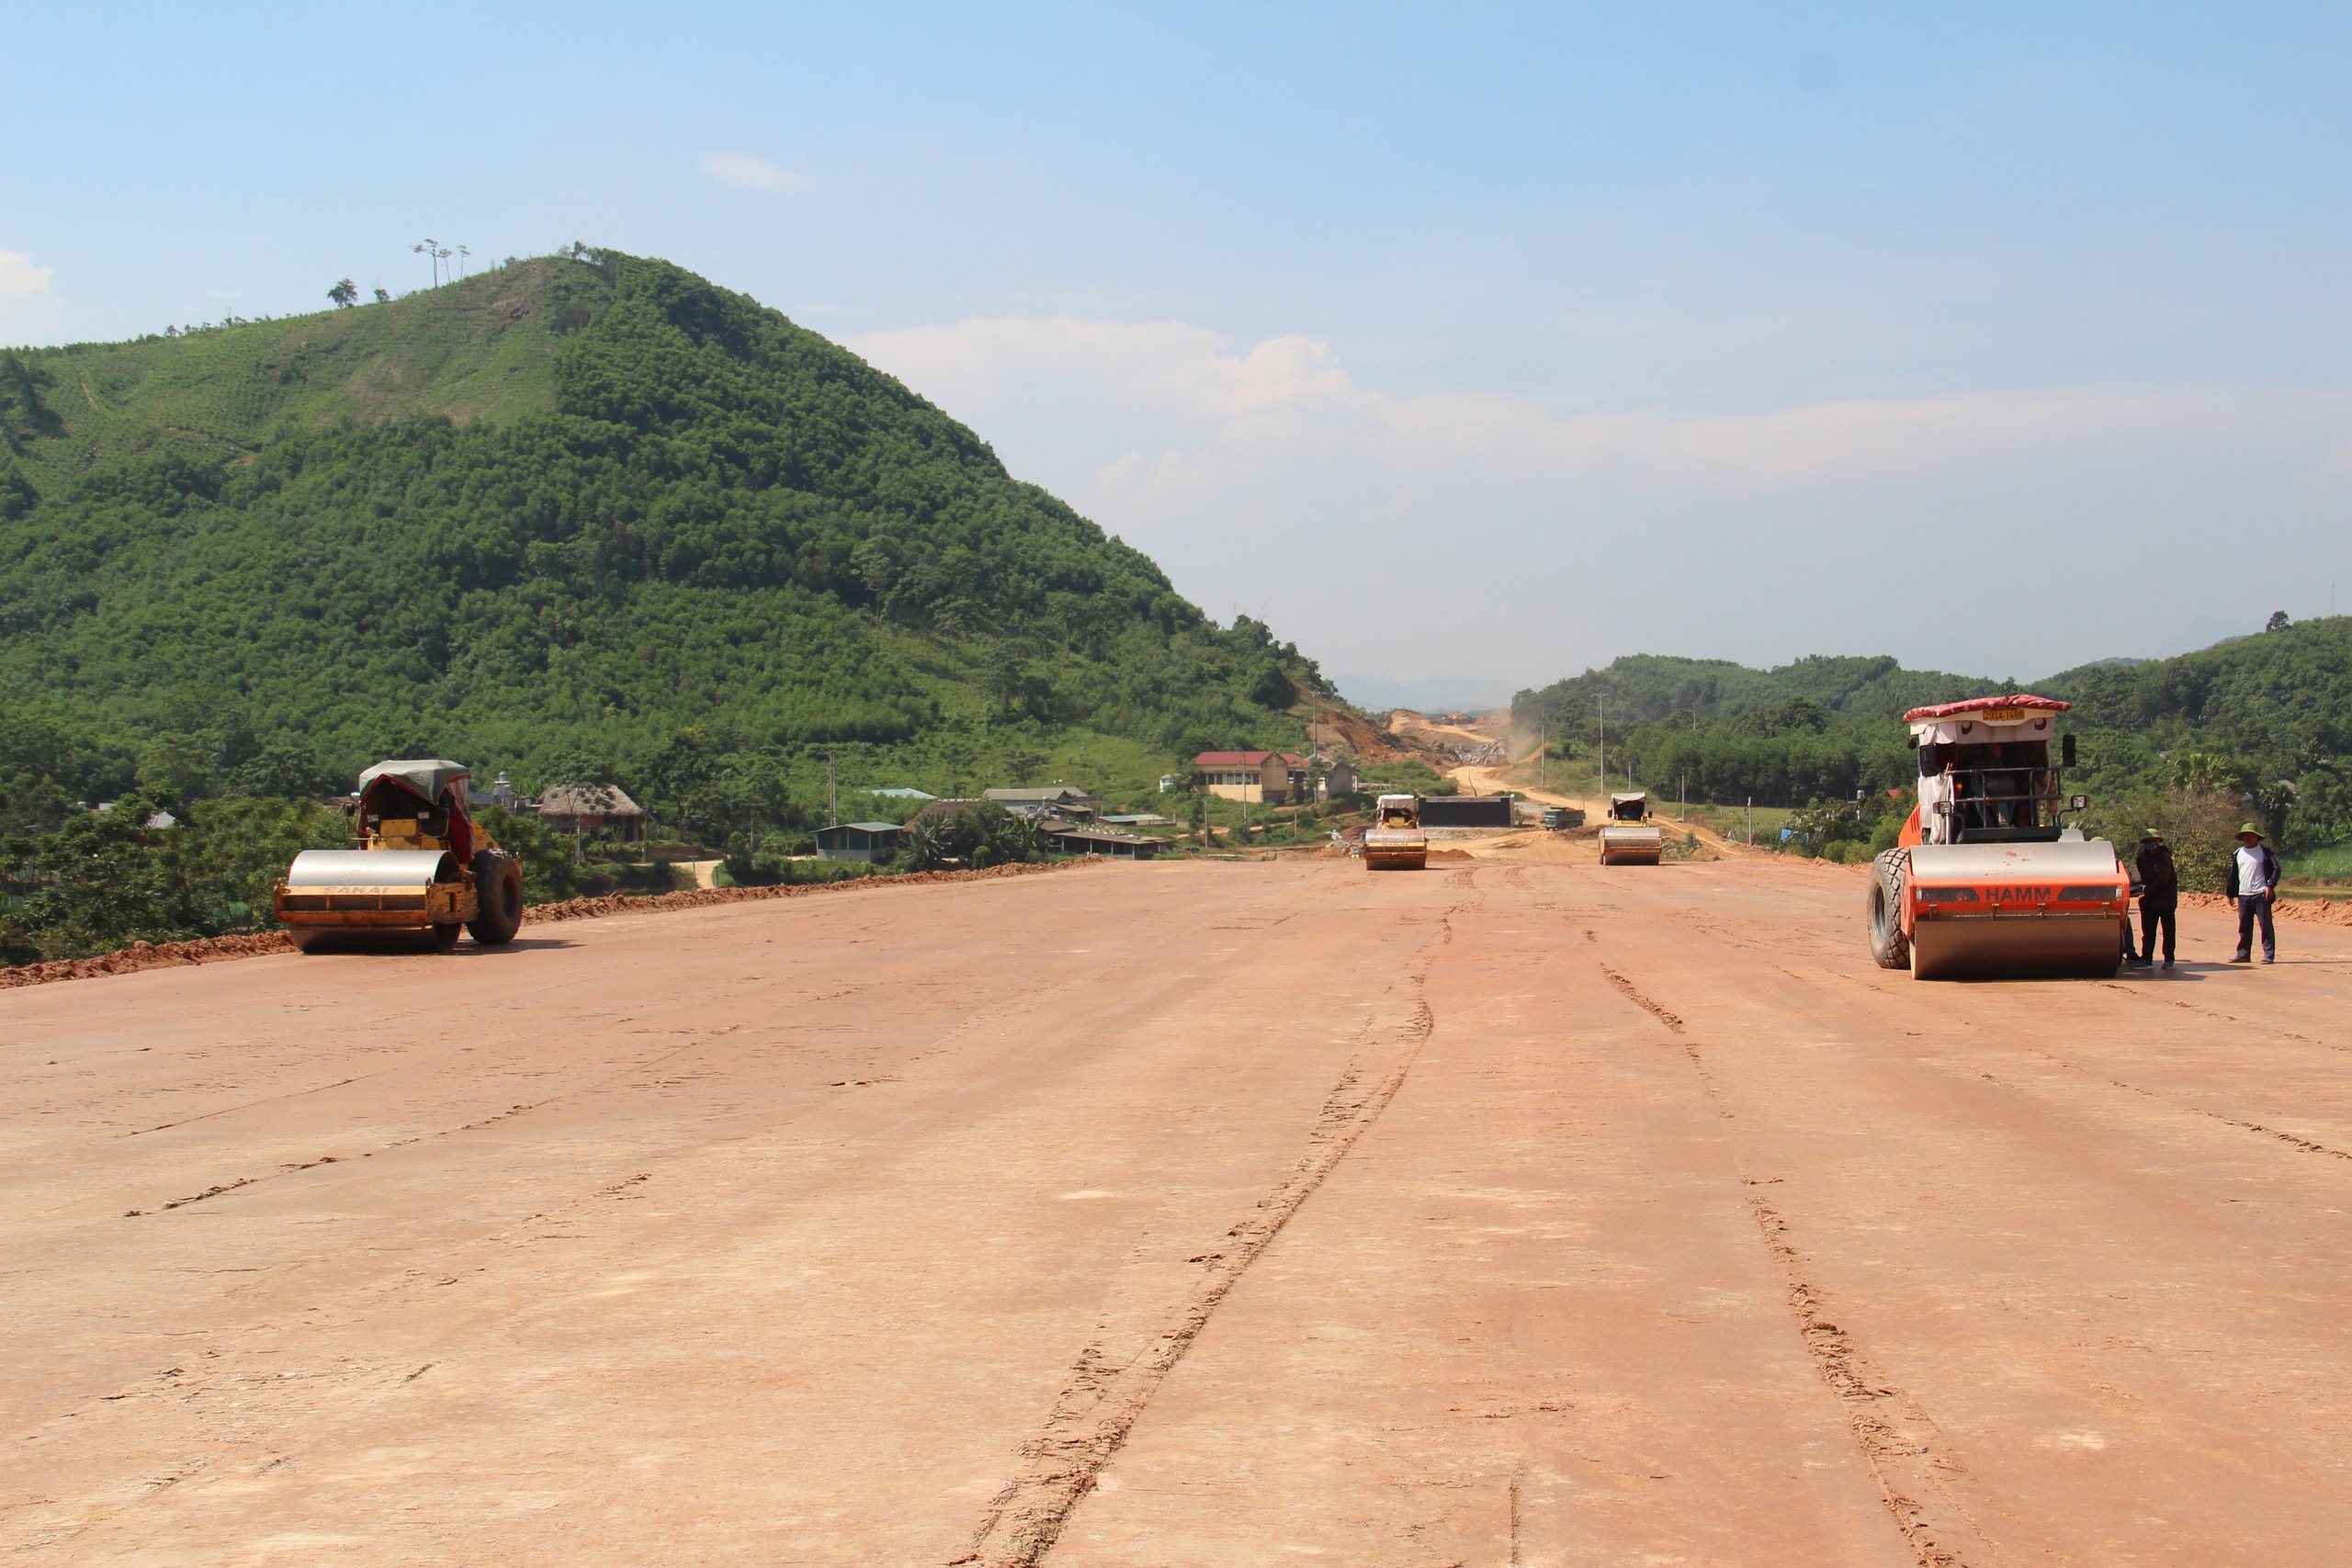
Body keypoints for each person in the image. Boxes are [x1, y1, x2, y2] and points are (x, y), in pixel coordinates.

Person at [2224, 823, 2279, 964]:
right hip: (2244, 894)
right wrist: (2231, 893)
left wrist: (2270, 886)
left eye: (2251, 835)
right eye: (2245, 835)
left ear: (2257, 837)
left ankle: (2268, 955)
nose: (2248, 838)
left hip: (2261, 893)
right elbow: (2234, 875)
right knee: (2244, 926)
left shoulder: (2265, 852)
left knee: (2265, 924)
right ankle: (2243, 954)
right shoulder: (2238, 854)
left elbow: (2276, 869)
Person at [2132, 827, 2177, 969]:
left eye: (2154, 841)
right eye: (2148, 841)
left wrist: (2147, 889)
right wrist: (2137, 887)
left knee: (2168, 932)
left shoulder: (2165, 858)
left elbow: (2164, 880)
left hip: (2165, 901)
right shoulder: (2142, 857)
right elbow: (2137, 877)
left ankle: (2169, 959)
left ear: (2158, 842)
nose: (2151, 844)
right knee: (2148, 932)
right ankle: (2146, 959)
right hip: (2149, 902)